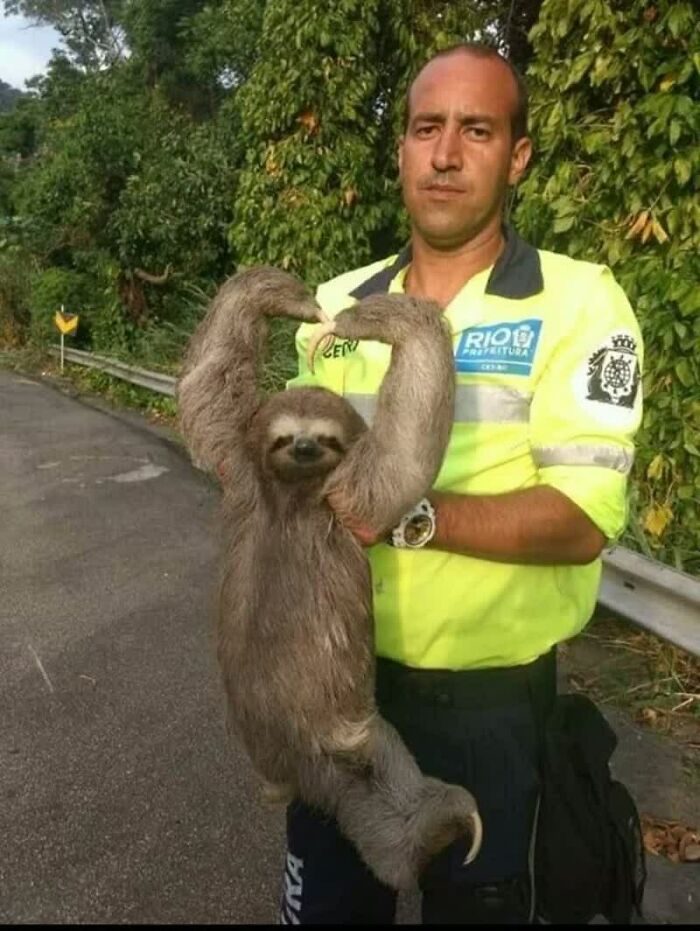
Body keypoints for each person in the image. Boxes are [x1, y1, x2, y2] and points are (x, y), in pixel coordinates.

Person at [280, 42, 644, 925]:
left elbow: (582, 518)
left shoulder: (579, 303)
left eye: (476, 131)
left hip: (490, 716)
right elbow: (293, 476)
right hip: (335, 685)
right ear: (401, 149)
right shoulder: (334, 305)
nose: (445, 154)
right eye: (425, 128)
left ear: (517, 157)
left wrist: (406, 517)